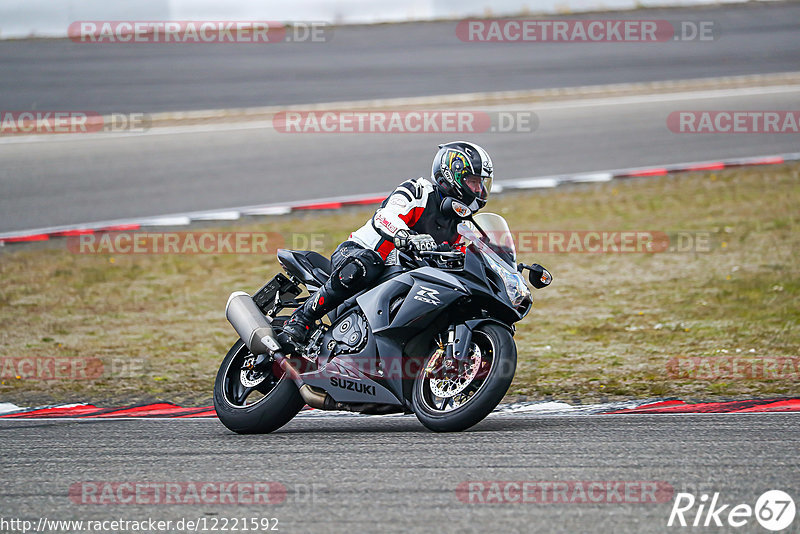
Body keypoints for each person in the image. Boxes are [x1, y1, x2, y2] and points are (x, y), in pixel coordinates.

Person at [282, 141, 494, 344]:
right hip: (359, 254)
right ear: (452, 175)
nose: (478, 190)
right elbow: (385, 217)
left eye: (481, 183)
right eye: (473, 181)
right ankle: (302, 318)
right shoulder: (418, 191)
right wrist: (406, 235)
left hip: (404, 274)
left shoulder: (463, 224)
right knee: (368, 263)